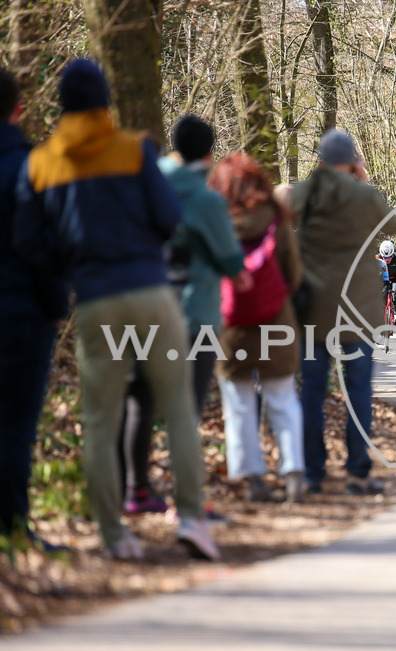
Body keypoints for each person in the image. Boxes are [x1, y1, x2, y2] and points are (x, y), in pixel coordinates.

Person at [13, 59, 218, 561]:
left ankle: (114, 536)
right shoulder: (133, 149)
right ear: (106, 100)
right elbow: (170, 217)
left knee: (101, 421)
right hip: (151, 291)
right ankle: (192, 519)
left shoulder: (40, 162)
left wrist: (69, 264)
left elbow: (28, 240)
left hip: (96, 300)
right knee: (178, 409)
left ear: (60, 104)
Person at [119, 114, 251, 515]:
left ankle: (135, 491)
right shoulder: (207, 200)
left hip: (141, 307)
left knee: (139, 399)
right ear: (210, 153)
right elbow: (233, 265)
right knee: (185, 409)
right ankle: (188, 503)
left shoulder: (148, 181)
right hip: (194, 314)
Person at [289, 129, 396, 496]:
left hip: (313, 311)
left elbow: (280, 208)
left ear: (320, 160)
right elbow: (393, 225)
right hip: (358, 312)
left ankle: (312, 473)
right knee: (358, 392)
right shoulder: (364, 195)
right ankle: (357, 472)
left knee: (311, 392)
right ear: (352, 160)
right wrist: (364, 177)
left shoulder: (305, 193)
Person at [207, 153, 305, 504]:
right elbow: (292, 272)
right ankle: (294, 473)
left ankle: (253, 478)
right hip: (275, 320)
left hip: (230, 326)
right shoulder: (275, 218)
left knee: (239, 403)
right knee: (282, 397)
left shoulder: (214, 219)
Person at [0, 69, 68, 549]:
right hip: (18, 310)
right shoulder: (30, 165)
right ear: (18, 110)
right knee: (15, 423)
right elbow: (40, 242)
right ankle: (11, 525)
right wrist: (54, 306)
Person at [377, 239, 396, 325]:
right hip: (383, 279)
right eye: (384, 257)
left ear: (393, 254)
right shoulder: (377, 258)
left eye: (389, 257)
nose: (386, 260)